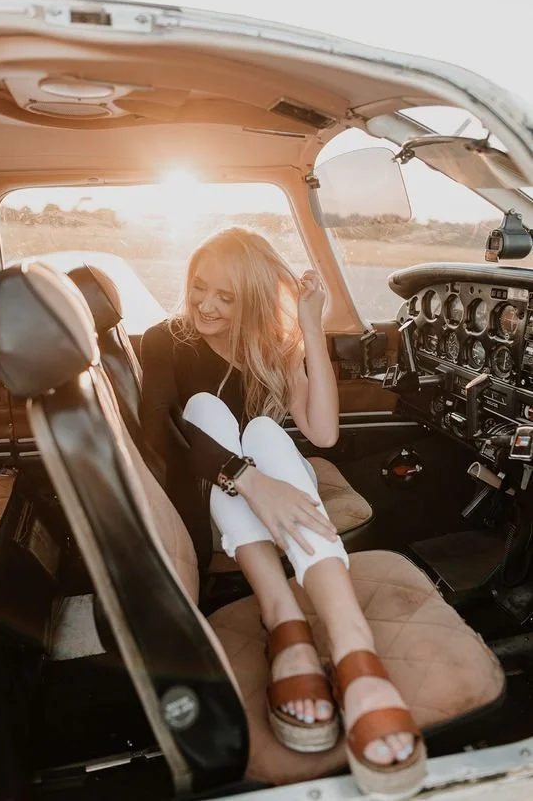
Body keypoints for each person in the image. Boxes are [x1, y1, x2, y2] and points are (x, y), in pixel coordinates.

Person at [141, 227, 426, 797]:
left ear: (250, 299)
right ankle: (291, 625)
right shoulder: (163, 339)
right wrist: (246, 480)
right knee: (206, 408)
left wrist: (310, 327)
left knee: (269, 429)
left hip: (260, 480)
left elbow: (322, 431)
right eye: (200, 289)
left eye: (227, 297)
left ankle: (344, 646)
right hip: (198, 488)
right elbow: (161, 434)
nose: (206, 306)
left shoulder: (270, 345)